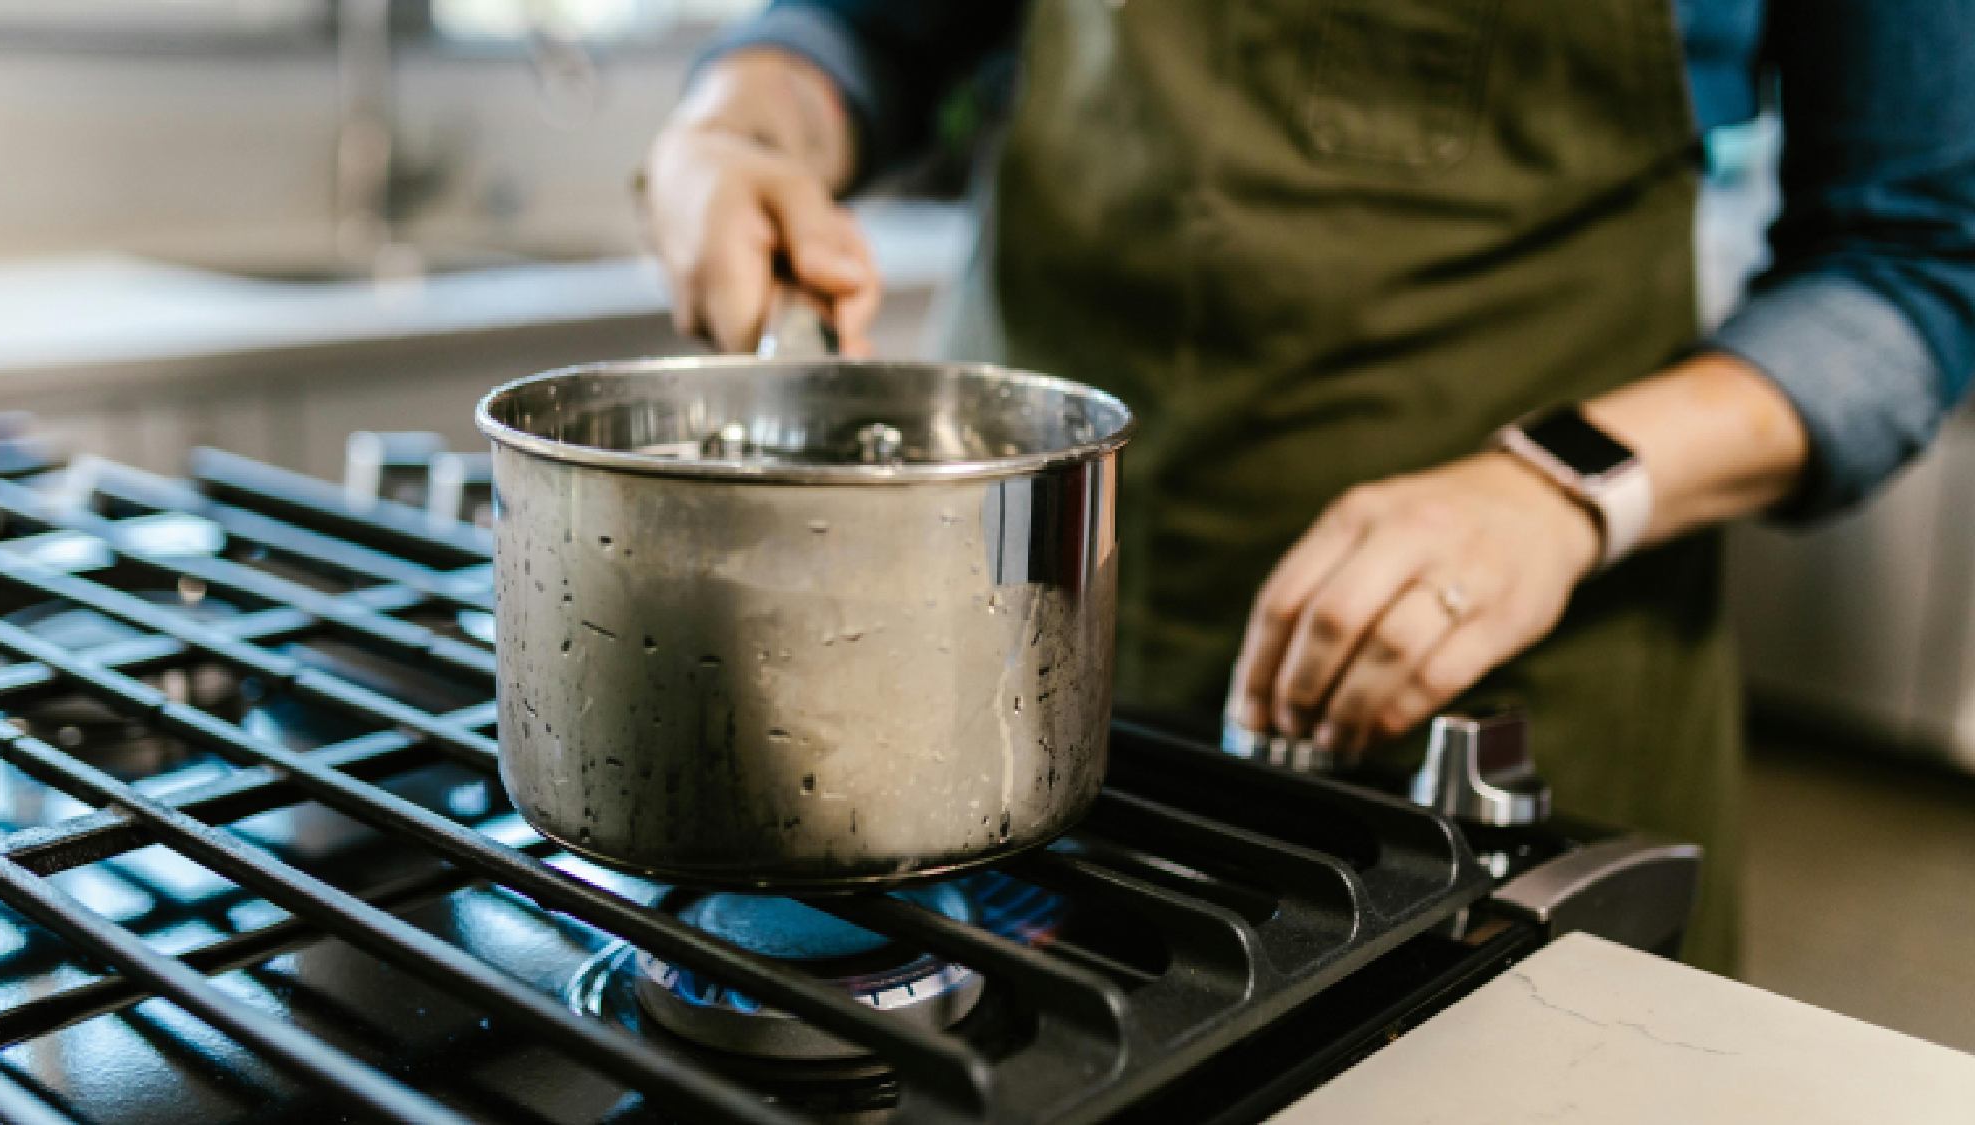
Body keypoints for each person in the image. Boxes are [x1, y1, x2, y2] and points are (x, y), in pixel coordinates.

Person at [641, 0, 1975, 973]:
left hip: (1501, 713)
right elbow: (867, 32)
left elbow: (1912, 266)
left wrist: (1559, 489)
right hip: (1001, 670)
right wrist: (736, 128)